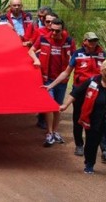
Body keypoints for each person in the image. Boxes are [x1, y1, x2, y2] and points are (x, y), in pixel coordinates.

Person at [60, 60, 106, 182]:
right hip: (94, 121)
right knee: (91, 144)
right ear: (101, 72)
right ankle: (89, 164)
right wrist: (65, 105)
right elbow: (75, 93)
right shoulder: (92, 82)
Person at [46, 31, 106, 158]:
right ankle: (79, 145)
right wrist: (50, 86)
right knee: (78, 119)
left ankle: (104, 148)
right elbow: (66, 73)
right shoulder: (77, 54)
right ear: (84, 41)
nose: (93, 43)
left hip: (97, 92)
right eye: (90, 40)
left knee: (100, 120)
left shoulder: (102, 54)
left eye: (95, 40)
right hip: (80, 91)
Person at [35, 17, 76, 146]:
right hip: (47, 79)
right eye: (52, 30)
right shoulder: (43, 38)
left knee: (58, 107)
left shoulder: (69, 41)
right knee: (49, 106)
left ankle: (55, 131)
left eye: (57, 31)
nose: (54, 33)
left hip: (62, 80)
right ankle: (49, 132)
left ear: (62, 30)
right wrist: (35, 59)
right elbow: (31, 50)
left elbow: (75, 58)